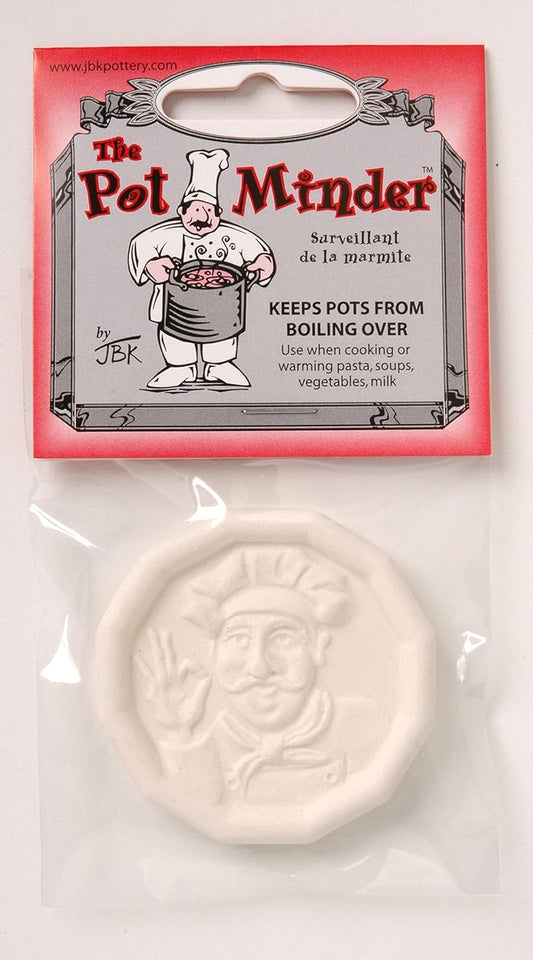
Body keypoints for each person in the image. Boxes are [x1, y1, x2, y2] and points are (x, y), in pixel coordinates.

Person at [136, 547, 388, 806]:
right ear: (213, 653)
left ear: (318, 648)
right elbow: (194, 807)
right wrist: (179, 733)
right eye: (239, 638)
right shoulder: (200, 745)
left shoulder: (364, 726)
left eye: (283, 638)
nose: (260, 667)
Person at [128, 148, 275, 389]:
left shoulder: (234, 235)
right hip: (174, 304)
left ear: (218, 214)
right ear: (181, 211)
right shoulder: (163, 234)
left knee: (222, 333)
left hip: (222, 303)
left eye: (208, 212)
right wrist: (150, 266)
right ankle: (179, 368)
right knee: (175, 334)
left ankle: (220, 365)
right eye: (195, 210)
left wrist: (259, 267)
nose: (202, 218)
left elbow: (262, 257)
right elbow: (140, 250)